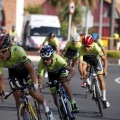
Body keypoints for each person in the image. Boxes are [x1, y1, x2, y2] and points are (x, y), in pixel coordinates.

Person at [0, 34, 56, 120]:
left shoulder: (18, 51)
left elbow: (31, 69)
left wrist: (34, 83)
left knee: (33, 91)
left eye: (3, 51)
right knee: (17, 94)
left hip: (26, 71)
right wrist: (2, 91)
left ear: (9, 48)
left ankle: (46, 109)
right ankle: (25, 116)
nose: (1, 54)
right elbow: (1, 78)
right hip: (14, 74)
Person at [37, 45, 79, 115]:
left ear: (51, 57)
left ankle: (73, 103)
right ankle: (61, 110)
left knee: (64, 83)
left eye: (47, 59)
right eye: (43, 59)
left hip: (61, 71)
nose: (45, 61)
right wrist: (40, 85)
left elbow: (72, 71)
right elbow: (40, 78)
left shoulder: (58, 59)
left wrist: (68, 77)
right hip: (52, 75)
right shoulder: (41, 64)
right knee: (54, 95)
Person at [78, 35, 110, 108]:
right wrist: (82, 75)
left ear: (92, 44)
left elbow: (105, 60)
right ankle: (87, 80)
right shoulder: (81, 48)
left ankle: (104, 99)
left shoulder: (96, 47)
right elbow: (79, 64)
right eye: (85, 46)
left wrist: (105, 70)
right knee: (83, 68)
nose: (86, 48)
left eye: (88, 46)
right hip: (86, 59)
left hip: (95, 59)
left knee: (100, 78)